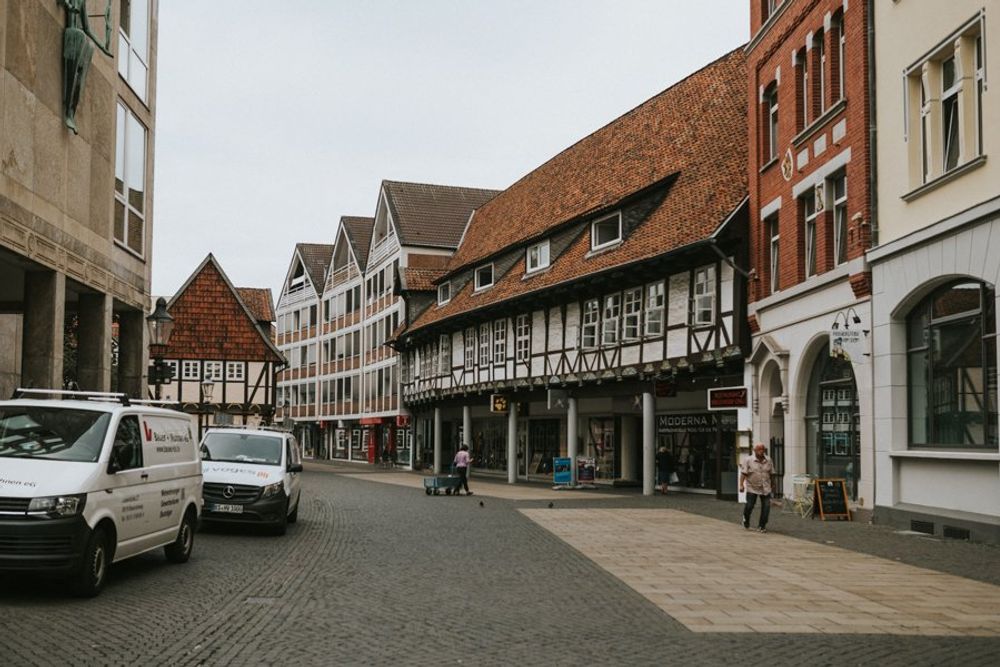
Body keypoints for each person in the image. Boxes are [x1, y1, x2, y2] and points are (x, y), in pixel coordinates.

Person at [740, 443, 775, 532]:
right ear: (754, 450)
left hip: (765, 487)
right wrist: (741, 485)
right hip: (752, 486)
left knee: (766, 507)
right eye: (759, 449)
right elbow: (744, 473)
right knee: (750, 506)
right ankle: (746, 520)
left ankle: (762, 525)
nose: (761, 451)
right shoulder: (748, 460)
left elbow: (772, 473)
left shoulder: (768, 460)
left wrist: (773, 484)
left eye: (762, 449)